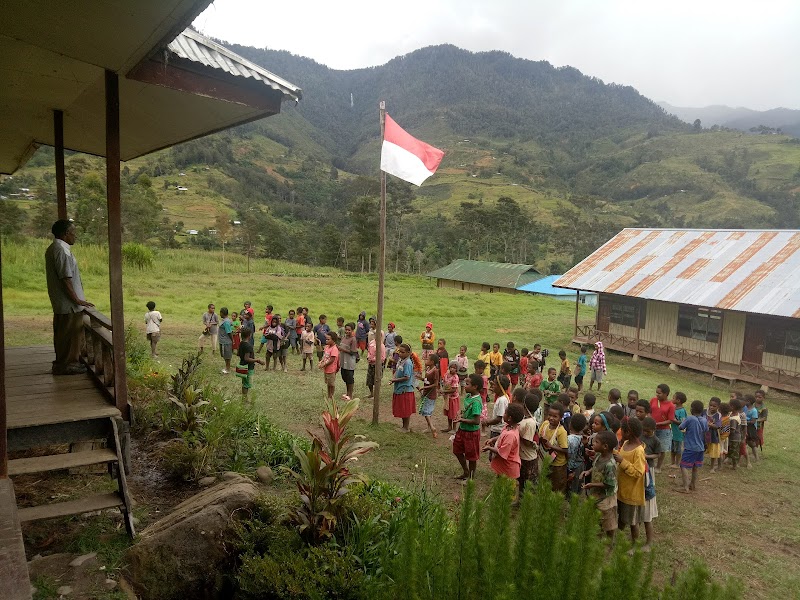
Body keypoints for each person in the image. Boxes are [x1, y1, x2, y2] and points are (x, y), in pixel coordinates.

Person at [45, 220, 94, 375]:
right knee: (70, 335)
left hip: (63, 303)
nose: (75, 236)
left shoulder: (54, 248)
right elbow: (66, 278)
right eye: (73, 233)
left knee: (63, 335)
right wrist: (77, 300)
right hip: (69, 305)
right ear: (65, 234)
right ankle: (68, 365)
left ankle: (63, 364)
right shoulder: (61, 250)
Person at [614, 416, 646, 546]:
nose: (620, 432)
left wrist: (622, 461)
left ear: (628, 432)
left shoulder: (638, 451)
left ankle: (635, 545)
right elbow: (621, 456)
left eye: (622, 430)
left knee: (633, 522)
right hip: (621, 490)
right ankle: (616, 538)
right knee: (621, 518)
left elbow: (638, 472)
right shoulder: (626, 444)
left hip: (632, 493)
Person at [581, 430, 619, 540]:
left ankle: (610, 541)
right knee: (597, 518)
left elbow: (609, 484)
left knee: (608, 521)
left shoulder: (610, 464)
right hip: (597, 495)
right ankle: (598, 537)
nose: (593, 443)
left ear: (605, 446)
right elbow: (595, 467)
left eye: (596, 442)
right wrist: (588, 471)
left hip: (606, 497)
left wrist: (591, 484)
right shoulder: (599, 456)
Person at [453, 374, 484, 480]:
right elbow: (465, 410)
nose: (464, 386)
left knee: (471, 457)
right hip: (462, 430)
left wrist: (462, 420)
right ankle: (466, 471)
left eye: (467, 384)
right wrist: (460, 413)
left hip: (471, 433)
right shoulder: (468, 396)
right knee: (457, 450)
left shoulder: (476, 402)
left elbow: (476, 421)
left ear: (475, 387)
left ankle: (470, 478)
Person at [484, 403, 524, 481]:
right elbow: (502, 436)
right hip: (505, 467)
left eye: (505, 413)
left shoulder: (511, 435)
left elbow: (502, 452)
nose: (503, 414)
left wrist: (489, 448)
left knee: (506, 489)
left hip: (509, 469)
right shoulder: (508, 427)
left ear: (509, 418)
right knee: (500, 485)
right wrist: (493, 439)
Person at [539, 401, 569, 493]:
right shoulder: (545, 424)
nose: (551, 418)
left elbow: (565, 449)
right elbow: (540, 435)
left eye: (555, 416)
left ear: (560, 418)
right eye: (550, 415)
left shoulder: (561, 431)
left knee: (557, 485)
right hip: (546, 459)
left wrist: (551, 446)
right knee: (545, 481)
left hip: (558, 464)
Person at [678, 400, 708, 493]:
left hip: (690, 447)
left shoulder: (690, 418)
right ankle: (693, 485)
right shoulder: (704, 419)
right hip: (700, 447)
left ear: (691, 409)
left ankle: (685, 487)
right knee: (695, 466)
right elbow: (706, 431)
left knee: (683, 465)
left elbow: (681, 427)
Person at [640, 417, 660, 548]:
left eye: (648, 431)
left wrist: (647, 456)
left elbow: (657, 454)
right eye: (644, 431)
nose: (646, 433)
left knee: (647, 489)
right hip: (640, 466)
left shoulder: (655, 440)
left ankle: (649, 542)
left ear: (653, 430)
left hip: (649, 468)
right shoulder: (641, 436)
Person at [649, 384, 676, 473]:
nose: (657, 394)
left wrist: (658, 424)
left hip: (664, 430)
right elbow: (649, 411)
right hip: (651, 428)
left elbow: (670, 420)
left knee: (661, 449)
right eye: (656, 392)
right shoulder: (653, 400)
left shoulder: (671, 405)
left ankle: (658, 466)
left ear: (666, 394)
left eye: (659, 393)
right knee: (649, 445)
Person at [390, 343, 416, 432]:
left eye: (402, 352)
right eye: (399, 352)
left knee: (406, 409)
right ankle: (403, 426)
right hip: (399, 388)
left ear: (408, 353)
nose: (400, 354)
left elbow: (407, 377)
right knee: (402, 408)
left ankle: (406, 427)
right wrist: (393, 378)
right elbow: (397, 370)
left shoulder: (408, 363)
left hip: (405, 389)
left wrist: (395, 380)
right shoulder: (401, 361)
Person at [518, 393, 540, 493]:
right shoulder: (524, 419)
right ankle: (520, 501)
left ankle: (527, 504)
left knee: (529, 484)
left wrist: (516, 434)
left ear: (524, 404)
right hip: (523, 456)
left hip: (528, 458)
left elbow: (527, 442)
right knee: (521, 481)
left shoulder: (530, 422)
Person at [235, 328, 265, 400]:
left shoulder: (241, 343)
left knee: (244, 383)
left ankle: (244, 397)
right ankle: (244, 399)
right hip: (247, 367)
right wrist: (257, 360)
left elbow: (238, 354)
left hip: (242, 365)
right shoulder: (248, 346)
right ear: (249, 335)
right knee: (246, 384)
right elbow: (247, 358)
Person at [484, 376, 511, 452]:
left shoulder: (502, 400)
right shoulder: (504, 397)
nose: (492, 386)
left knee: (494, 452)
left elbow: (499, 419)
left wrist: (487, 422)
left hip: (498, 431)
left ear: (500, 387)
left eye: (494, 385)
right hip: (498, 429)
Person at [567, 413, 587, 497]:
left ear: (570, 424)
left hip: (573, 467)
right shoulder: (582, 437)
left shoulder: (570, 439)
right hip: (580, 465)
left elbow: (570, 456)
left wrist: (570, 471)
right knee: (577, 486)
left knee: (571, 488)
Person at [419, 354, 440, 437]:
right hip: (426, 392)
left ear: (432, 362)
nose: (426, 360)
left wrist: (425, 387)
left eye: (427, 359)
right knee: (428, 411)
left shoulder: (435, 371)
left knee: (426, 411)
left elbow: (435, 384)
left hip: (431, 394)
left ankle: (432, 427)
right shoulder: (428, 369)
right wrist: (421, 378)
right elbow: (427, 380)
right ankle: (429, 427)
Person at [338, 323, 359, 399]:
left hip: (349, 362)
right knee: (344, 377)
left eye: (349, 330)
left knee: (350, 378)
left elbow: (353, 352)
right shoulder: (344, 337)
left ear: (352, 330)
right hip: (343, 361)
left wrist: (342, 349)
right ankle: (347, 393)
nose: (347, 331)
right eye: (346, 330)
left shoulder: (353, 339)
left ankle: (350, 394)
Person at [440, 361, 462, 433]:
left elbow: (454, 389)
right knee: (449, 412)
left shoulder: (455, 377)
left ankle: (454, 428)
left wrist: (444, 391)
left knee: (454, 413)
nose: (452, 369)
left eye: (454, 368)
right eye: (451, 367)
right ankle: (449, 426)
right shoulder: (447, 374)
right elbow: (444, 382)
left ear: (457, 370)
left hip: (453, 397)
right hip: (447, 397)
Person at [318, 332, 340, 401]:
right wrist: (321, 361)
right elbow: (325, 356)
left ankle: (331, 396)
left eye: (328, 339)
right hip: (326, 369)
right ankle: (329, 395)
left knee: (331, 384)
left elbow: (332, 360)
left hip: (331, 369)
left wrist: (324, 364)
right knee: (328, 383)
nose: (326, 340)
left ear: (333, 340)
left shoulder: (334, 349)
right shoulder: (327, 347)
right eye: (326, 339)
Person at [670, 392, 687, 468]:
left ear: (678, 400)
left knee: (678, 449)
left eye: (673, 398)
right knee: (672, 448)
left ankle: (677, 463)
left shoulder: (682, 411)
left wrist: (673, 420)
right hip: (673, 433)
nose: (672, 399)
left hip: (679, 434)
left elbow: (683, 422)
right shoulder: (673, 408)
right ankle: (672, 462)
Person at [366, 332, 386, 399]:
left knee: (377, 380)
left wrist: (373, 359)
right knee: (369, 380)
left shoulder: (381, 346)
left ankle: (376, 394)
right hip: (371, 364)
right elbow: (369, 351)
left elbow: (383, 358)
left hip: (377, 365)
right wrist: (368, 357)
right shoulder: (372, 342)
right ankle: (371, 393)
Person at [705, 397, 722, 473]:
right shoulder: (704, 411)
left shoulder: (718, 415)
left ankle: (712, 467)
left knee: (713, 452)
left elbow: (718, 426)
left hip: (713, 436)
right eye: (710, 405)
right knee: (701, 449)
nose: (711, 407)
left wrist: (709, 424)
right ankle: (696, 462)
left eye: (714, 406)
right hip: (703, 434)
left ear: (718, 407)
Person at [727, 398, 745, 470]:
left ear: (732, 407)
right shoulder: (732, 414)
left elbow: (732, 430)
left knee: (734, 452)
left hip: (734, 438)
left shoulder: (734, 418)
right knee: (730, 450)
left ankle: (734, 465)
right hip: (733, 437)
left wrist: (725, 433)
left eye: (729, 405)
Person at [218, 307, 234, 374]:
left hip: (226, 341)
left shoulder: (226, 322)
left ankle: (228, 368)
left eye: (220, 312)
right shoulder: (224, 320)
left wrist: (232, 340)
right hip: (222, 340)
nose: (220, 314)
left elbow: (229, 332)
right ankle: (227, 367)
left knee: (227, 355)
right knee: (224, 355)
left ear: (222, 313)